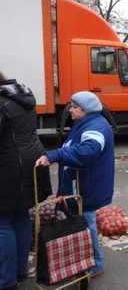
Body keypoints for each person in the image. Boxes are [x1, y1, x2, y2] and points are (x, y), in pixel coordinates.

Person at [36, 92, 114, 279]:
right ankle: (90, 261)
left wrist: (55, 155)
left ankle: (95, 265)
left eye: (74, 107)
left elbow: (88, 151)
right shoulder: (85, 123)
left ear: (85, 110)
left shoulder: (95, 126)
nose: (70, 110)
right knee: (85, 223)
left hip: (85, 187)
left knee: (86, 224)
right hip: (81, 184)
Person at [0, 72, 52, 290]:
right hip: (31, 161)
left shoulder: (2, 104)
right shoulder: (23, 96)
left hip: (10, 166)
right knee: (21, 216)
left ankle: (6, 281)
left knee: (3, 223)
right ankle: (20, 271)